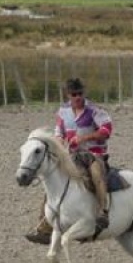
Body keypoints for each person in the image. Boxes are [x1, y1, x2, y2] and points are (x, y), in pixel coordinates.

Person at [24, 77, 113, 244]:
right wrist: (59, 142)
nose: (78, 97)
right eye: (74, 94)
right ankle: (44, 224)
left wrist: (84, 138)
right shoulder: (62, 112)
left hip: (93, 153)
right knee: (52, 180)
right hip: (71, 155)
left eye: (80, 93)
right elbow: (59, 132)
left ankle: (103, 212)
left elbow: (106, 130)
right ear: (68, 95)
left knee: (96, 175)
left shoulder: (94, 110)